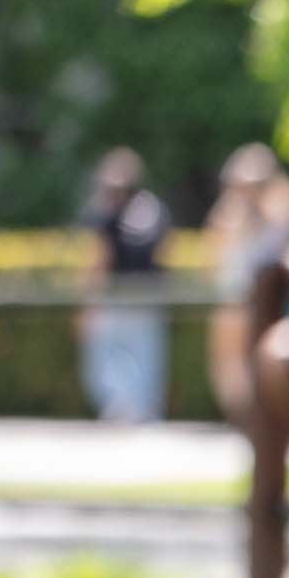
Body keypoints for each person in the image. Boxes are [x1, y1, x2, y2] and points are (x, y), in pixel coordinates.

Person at [203, 143, 289, 426]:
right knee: (229, 364)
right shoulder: (229, 212)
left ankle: (264, 417)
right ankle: (240, 414)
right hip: (233, 299)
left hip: (267, 301)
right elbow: (215, 249)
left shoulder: (281, 207)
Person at [77, 150, 170, 425]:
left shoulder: (105, 213)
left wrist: (87, 302)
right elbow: (166, 253)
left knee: (110, 354)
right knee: (145, 354)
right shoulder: (155, 209)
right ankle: (143, 408)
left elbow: (99, 260)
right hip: (149, 295)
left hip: (115, 296)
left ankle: (120, 409)